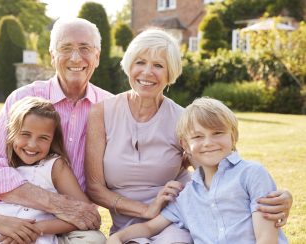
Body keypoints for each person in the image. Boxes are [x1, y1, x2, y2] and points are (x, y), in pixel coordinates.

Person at [85, 28, 293, 243]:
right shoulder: (101, 112)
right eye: (140, 62)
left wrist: (281, 196)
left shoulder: (182, 118)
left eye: (158, 65)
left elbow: (222, 166)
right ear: (129, 65)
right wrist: (145, 210)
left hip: (177, 219)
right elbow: (95, 187)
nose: (147, 72)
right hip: (132, 224)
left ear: (170, 73)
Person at [0, 17, 113, 243]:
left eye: (85, 48)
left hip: (68, 220)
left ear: (97, 57)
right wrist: (55, 204)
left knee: (92, 240)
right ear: (52, 56)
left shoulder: (110, 108)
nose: (75, 57)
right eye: (65, 48)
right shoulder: (22, 99)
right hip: (9, 209)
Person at [106, 97, 288, 244]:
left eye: (217, 133)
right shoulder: (186, 195)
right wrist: (118, 237)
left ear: (233, 136)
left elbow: (266, 239)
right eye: (198, 136)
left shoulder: (252, 175)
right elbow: (148, 228)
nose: (208, 143)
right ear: (185, 144)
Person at [0, 96, 94, 243]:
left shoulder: (55, 167)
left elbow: (85, 215)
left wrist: (36, 228)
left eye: (43, 138)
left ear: (52, 140)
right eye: (25, 134)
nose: (32, 145)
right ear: (11, 133)